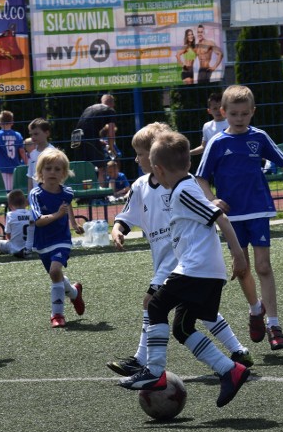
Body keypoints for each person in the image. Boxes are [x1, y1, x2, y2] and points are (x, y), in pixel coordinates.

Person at [108, 123, 253, 378]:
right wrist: (118, 228)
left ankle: (144, 364)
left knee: (153, 303)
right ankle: (236, 352)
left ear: (157, 159)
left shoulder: (180, 185)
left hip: (182, 261)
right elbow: (127, 214)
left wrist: (236, 250)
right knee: (197, 313)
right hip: (171, 258)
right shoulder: (142, 185)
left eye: (141, 153)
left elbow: (212, 214)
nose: (138, 158)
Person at [196, 85, 283, 350]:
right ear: (223, 113)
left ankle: (274, 324)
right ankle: (255, 310)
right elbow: (201, 178)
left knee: (263, 266)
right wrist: (212, 200)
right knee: (241, 269)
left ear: (253, 112)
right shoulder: (217, 143)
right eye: (233, 114)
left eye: (244, 114)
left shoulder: (259, 137)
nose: (239, 119)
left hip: (259, 209)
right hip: (231, 217)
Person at [29, 148, 86, 328]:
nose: (52, 172)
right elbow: (38, 221)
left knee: (55, 272)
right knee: (56, 276)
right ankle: (74, 293)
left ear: (64, 173)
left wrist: (74, 224)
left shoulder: (66, 192)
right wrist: (56, 215)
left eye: (57, 169)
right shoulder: (35, 194)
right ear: (40, 172)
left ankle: (57, 315)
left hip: (61, 239)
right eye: (48, 168)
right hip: (43, 242)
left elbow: (67, 206)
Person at [71, 94, 116, 186]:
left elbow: (85, 127)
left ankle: (84, 195)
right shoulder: (109, 110)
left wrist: (97, 141)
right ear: (112, 104)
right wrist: (111, 148)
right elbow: (111, 133)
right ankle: (99, 195)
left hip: (76, 137)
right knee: (101, 168)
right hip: (89, 137)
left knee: (84, 167)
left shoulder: (91, 108)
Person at [0, 189, 34, 258]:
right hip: (31, 247)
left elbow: (8, 235)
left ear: (9, 205)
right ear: (25, 203)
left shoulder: (10, 214)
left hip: (14, 247)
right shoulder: (31, 214)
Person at [0, 110, 27, 191]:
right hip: (16, 167)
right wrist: (27, 164)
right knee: (16, 189)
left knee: (6, 191)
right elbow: (22, 151)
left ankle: (8, 203)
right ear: (12, 122)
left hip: (2, 167)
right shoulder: (17, 135)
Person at [190, 92, 228, 156]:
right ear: (209, 111)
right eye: (215, 108)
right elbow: (203, 147)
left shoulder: (232, 123)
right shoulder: (206, 126)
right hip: (214, 161)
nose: (218, 111)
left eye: (220, 108)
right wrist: (189, 152)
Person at [26, 118, 55, 192]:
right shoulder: (32, 154)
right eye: (31, 134)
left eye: (36, 134)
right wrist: (30, 193)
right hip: (36, 193)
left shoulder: (53, 152)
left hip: (51, 192)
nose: (33, 137)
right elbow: (30, 176)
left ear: (47, 133)